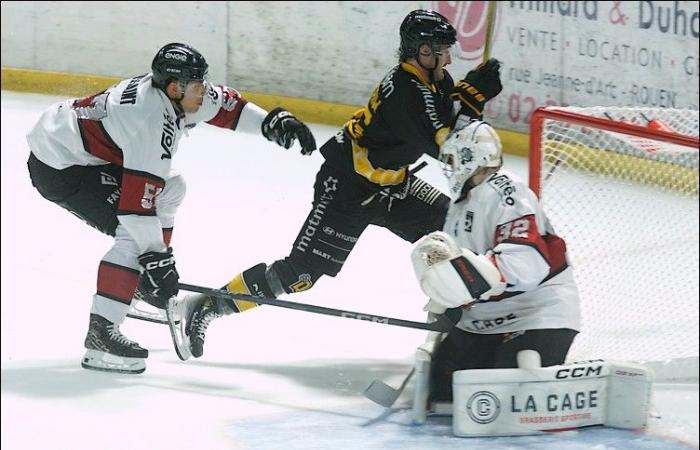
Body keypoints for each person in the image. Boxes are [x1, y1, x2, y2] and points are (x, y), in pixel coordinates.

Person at [167, 9, 503, 360]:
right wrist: (474, 98)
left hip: (393, 185)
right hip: (348, 187)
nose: (449, 57)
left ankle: (453, 316)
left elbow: (448, 114)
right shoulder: (406, 90)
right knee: (301, 274)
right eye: (442, 50)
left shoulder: (434, 80)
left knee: (456, 230)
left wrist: (468, 92)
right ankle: (207, 305)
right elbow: (448, 147)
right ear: (422, 51)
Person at [26, 42, 317, 374]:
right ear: (175, 87)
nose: (204, 91)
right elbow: (137, 210)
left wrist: (271, 123)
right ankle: (101, 334)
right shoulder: (149, 120)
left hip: (84, 153)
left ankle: (141, 281)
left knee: (171, 188)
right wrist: (157, 259)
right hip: (60, 169)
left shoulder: (174, 92)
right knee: (135, 237)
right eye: (198, 85)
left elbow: (227, 107)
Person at [409, 119, 581, 404]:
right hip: (483, 321)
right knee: (443, 394)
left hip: (537, 315)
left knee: (502, 399)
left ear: (470, 157)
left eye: (452, 159)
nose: (449, 168)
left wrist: (473, 278)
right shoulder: (459, 206)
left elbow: (526, 263)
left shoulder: (507, 191)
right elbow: (462, 273)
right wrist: (446, 300)